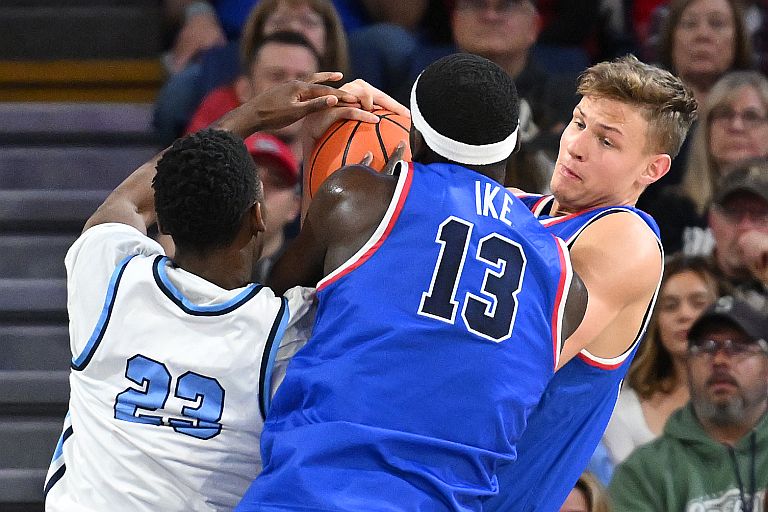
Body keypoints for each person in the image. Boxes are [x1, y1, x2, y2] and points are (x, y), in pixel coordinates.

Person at [235, 53, 588, 510]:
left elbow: (278, 299)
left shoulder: (361, 199)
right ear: (514, 145)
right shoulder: (566, 283)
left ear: (414, 134)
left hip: (314, 491)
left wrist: (316, 162)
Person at [43, 74, 363, 511]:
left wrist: (252, 114)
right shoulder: (287, 331)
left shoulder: (111, 281)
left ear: (166, 224)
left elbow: (132, 202)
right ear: (258, 218)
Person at [483, 54, 698, 511]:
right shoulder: (520, 211)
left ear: (652, 169)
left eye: (606, 140)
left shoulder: (627, 238)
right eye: (579, 123)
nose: (577, 146)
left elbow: (511, 365)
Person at [608, 296, 768, 511]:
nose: (719, 359)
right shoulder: (643, 472)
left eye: (738, 347)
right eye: (706, 347)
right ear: (687, 365)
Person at [602, 255, 718, 465]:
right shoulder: (624, 409)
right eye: (670, 306)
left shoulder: (754, 397)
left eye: (698, 303)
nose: (684, 314)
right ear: (655, 323)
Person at [186, 31, 321, 160]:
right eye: (276, 76)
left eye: (304, 78)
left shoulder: (338, 163)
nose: (292, 89)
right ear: (244, 90)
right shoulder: (213, 160)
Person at [681, 71, 768, 214]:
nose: (736, 126)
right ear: (707, 128)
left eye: (751, 116)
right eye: (724, 114)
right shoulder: (673, 208)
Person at [704, 159, 768, 314]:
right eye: (734, 212)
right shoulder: (687, 280)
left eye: (759, 214)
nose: (745, 226)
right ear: (712, 220)